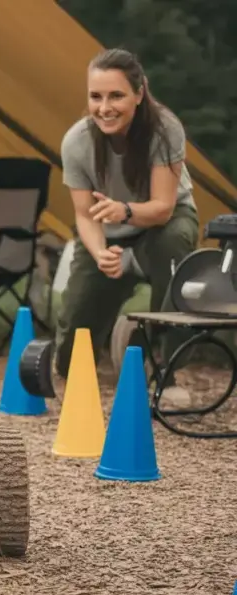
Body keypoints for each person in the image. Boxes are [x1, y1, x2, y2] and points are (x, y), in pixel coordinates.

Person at [56, 47, 197, 407]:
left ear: (139, 93)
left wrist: (125, 211)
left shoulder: (165, 130)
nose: (105, 107)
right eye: (96, 96)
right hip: (109, 233)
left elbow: (164, 209)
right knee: (70, 358)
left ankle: (163, 365)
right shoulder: (76, 142)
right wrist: (101, 253)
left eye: (116, 95)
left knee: (175, 241)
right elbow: (85, 215)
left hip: (160, 227)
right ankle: (102, 348)